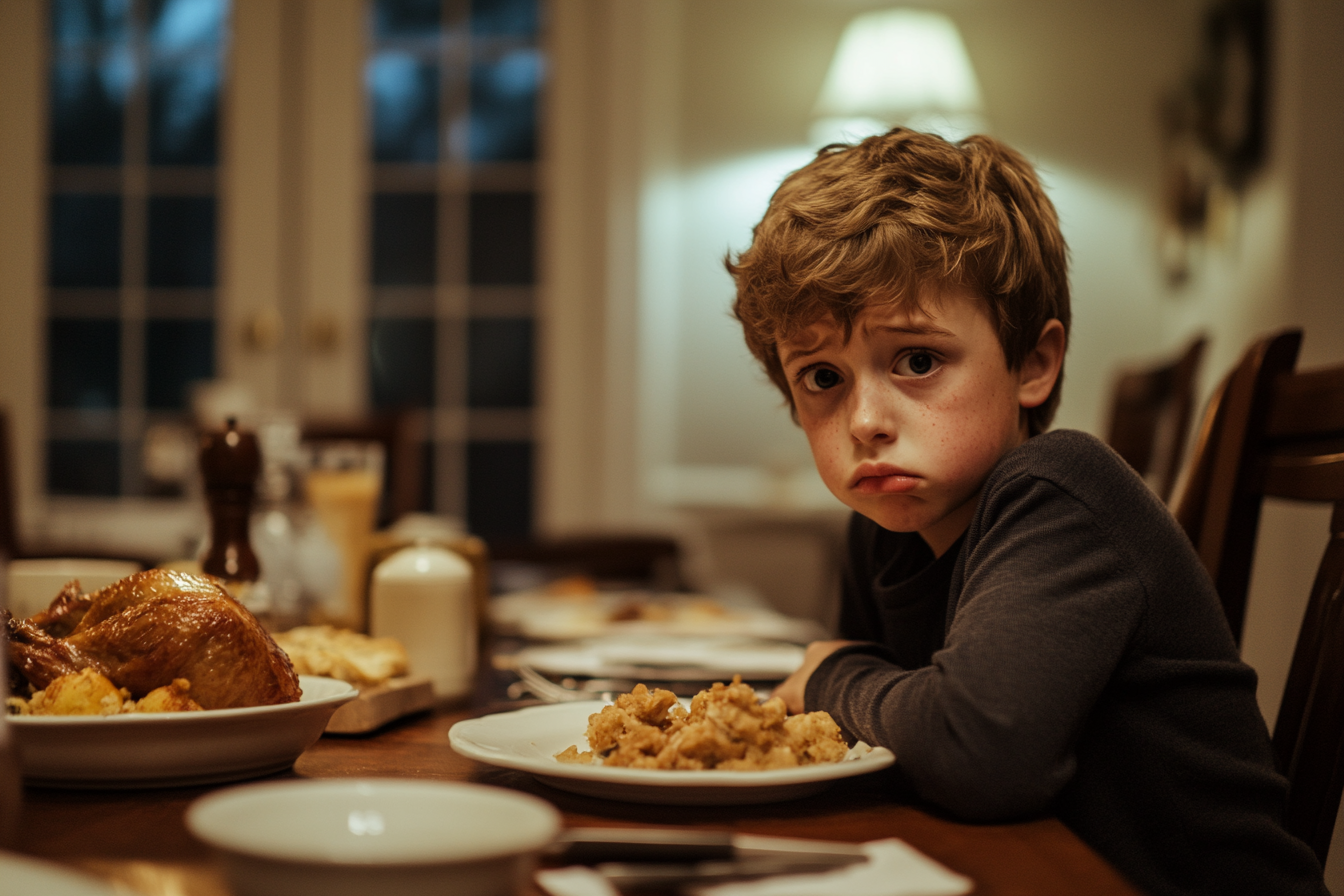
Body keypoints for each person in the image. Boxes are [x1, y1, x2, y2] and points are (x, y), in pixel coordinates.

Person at [726, 128, 1326, 896]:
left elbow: (980, 754)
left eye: (917, 361)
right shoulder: (877, 534)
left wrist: (830, 675)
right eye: (820, 377)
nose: (865, 420)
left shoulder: (1061, 491)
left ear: (1034, 364)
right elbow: (864, 757)